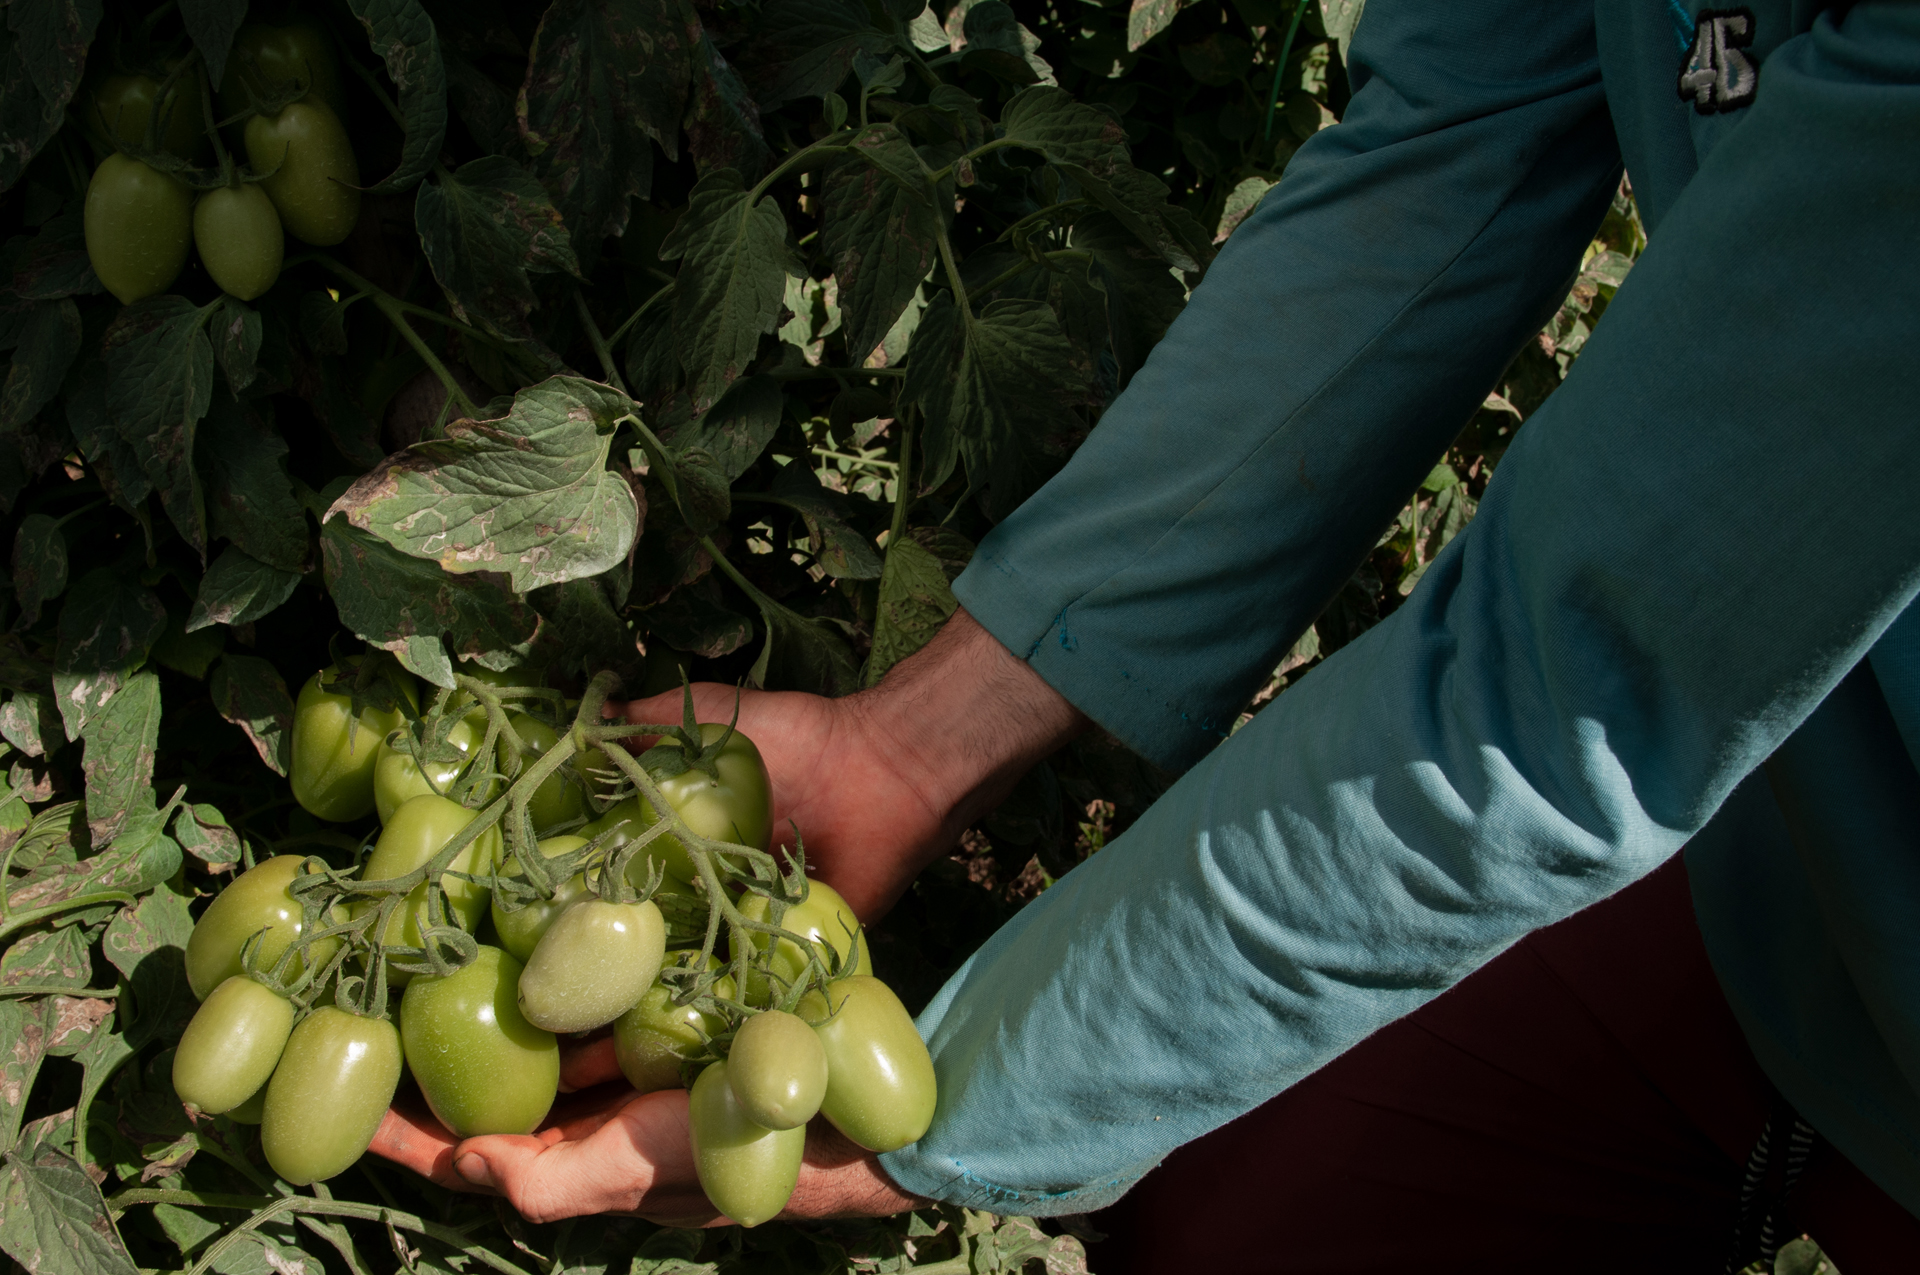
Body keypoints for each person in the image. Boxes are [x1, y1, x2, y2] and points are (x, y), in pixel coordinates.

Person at [372, 0, 1920, 1267]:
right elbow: (1443, 159)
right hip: (1781, 857)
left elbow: (1567, 689)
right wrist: (918, 743)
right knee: (1239, 1220)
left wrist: (945, 1114)